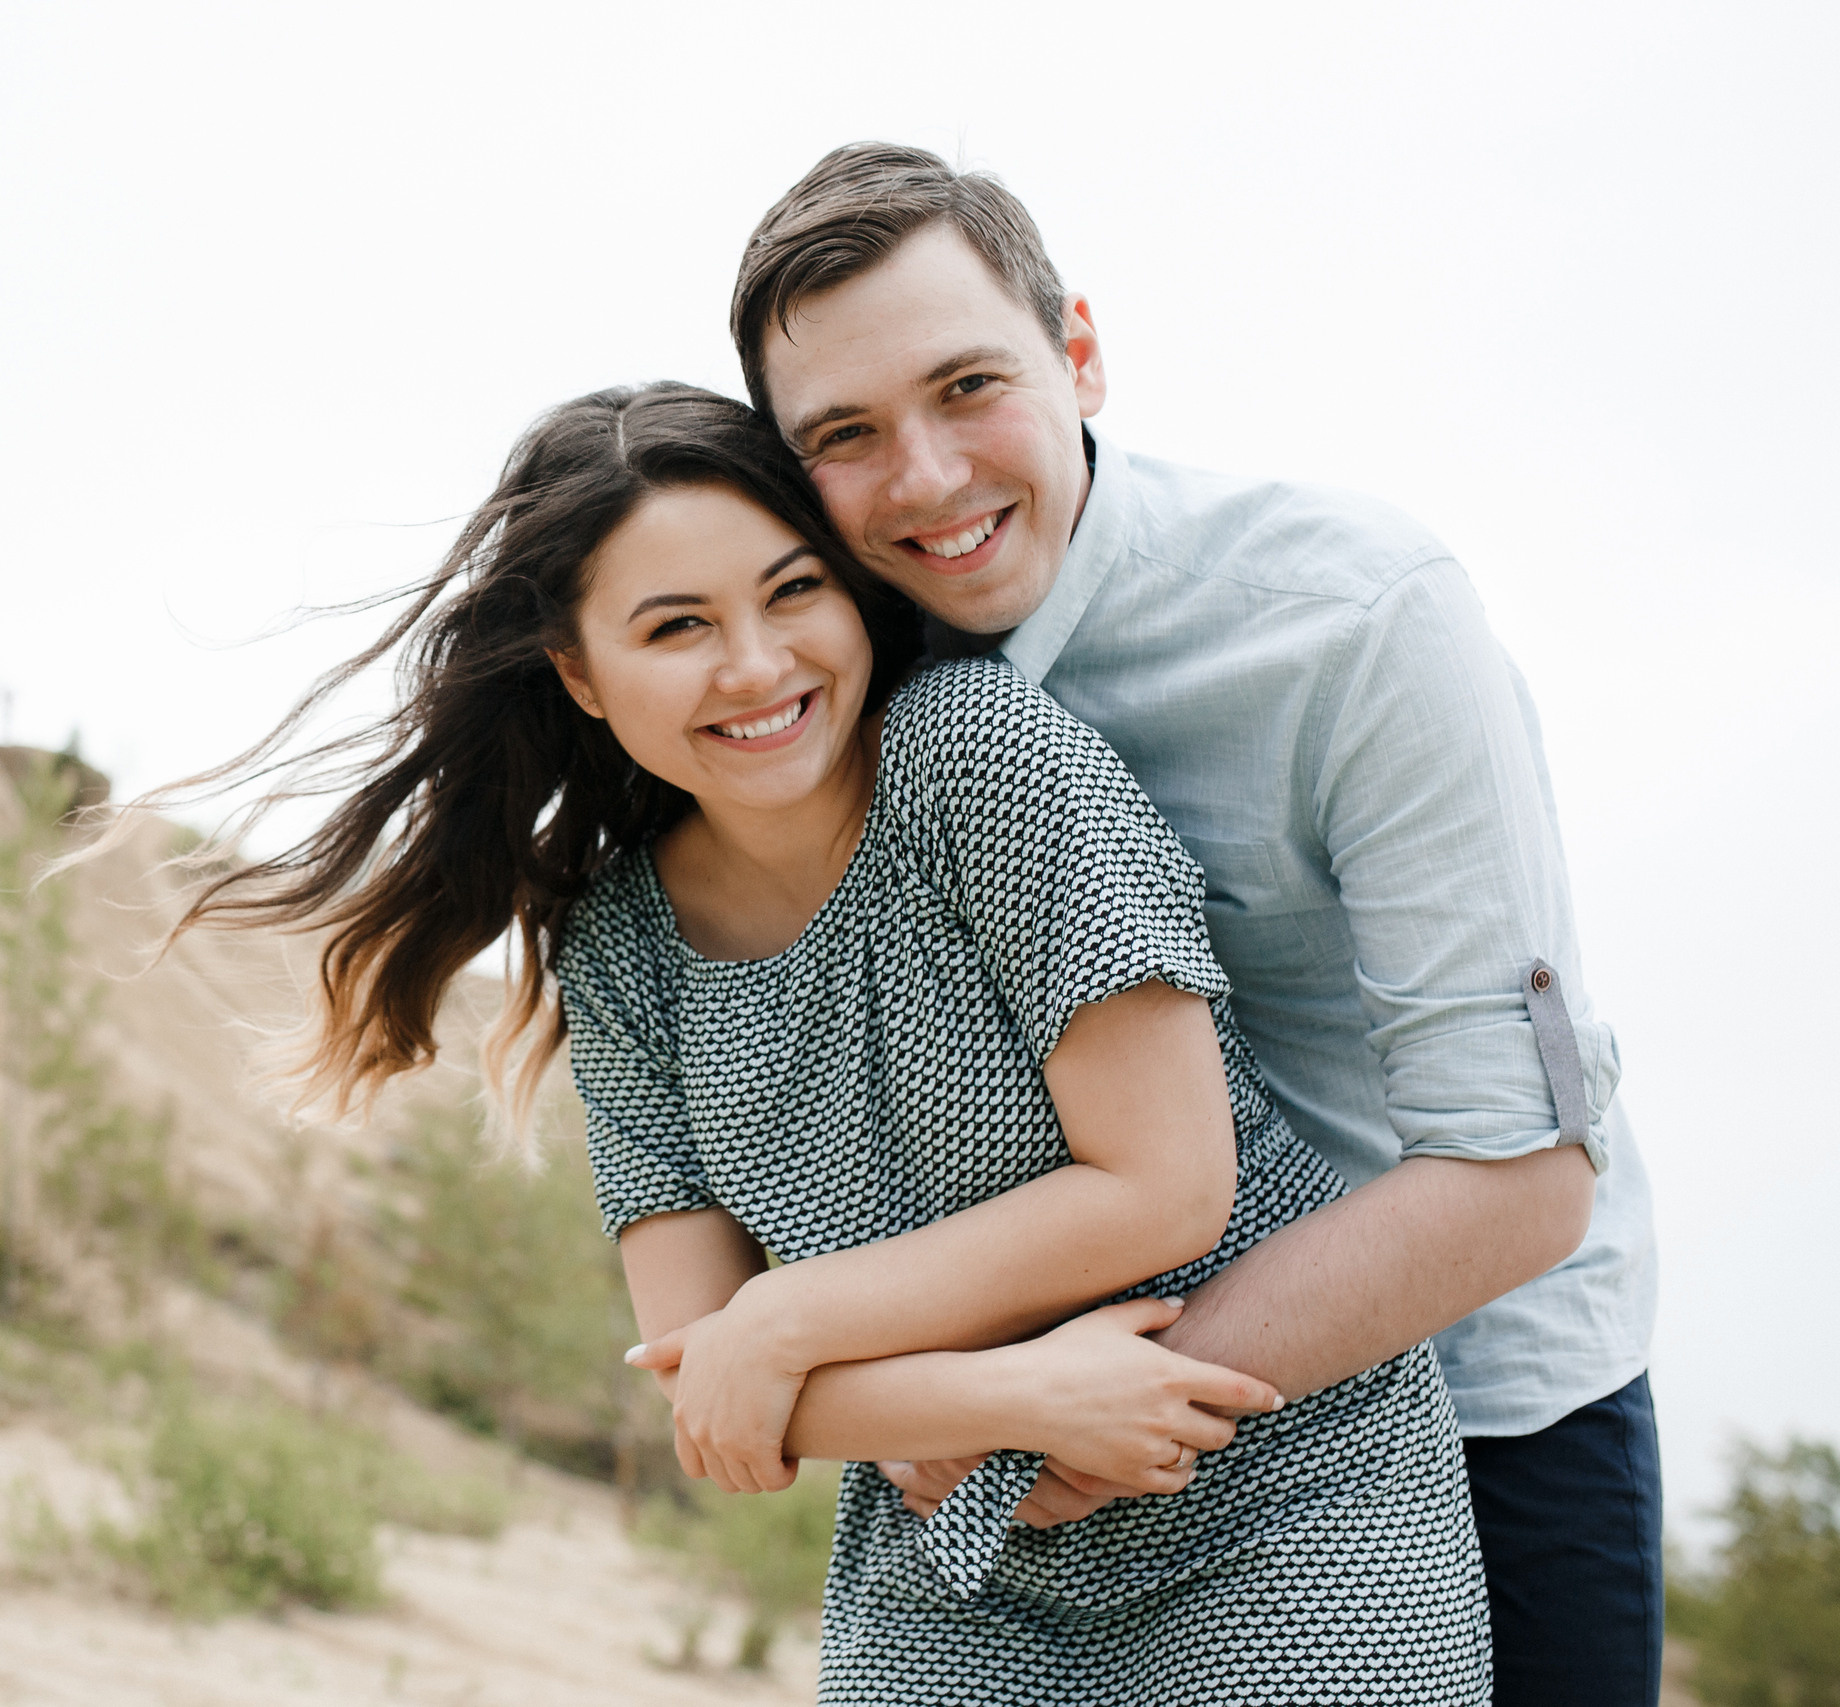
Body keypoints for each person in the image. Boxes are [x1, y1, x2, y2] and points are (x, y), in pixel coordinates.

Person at [92, 383, 1490, 1701]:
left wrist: (791, 1320)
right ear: (581, 675)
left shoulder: (978, 756)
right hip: (951, 1548)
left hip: (1268, 1480)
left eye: (794, 590)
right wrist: (1013, 1396)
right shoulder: (621, 947)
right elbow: (710, 1394)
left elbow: (1167, 1185)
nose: (757, 665)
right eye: (677, 626)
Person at [711, 142, 1659, 1706]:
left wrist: (1055, 1426)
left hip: (1481, 1411)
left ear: (1078, 350)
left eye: (970, 387)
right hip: (1041, 1428)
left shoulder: (1359, 622)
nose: (929, 478)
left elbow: (1520, 1180)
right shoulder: (818, 675)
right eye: (847, 437)